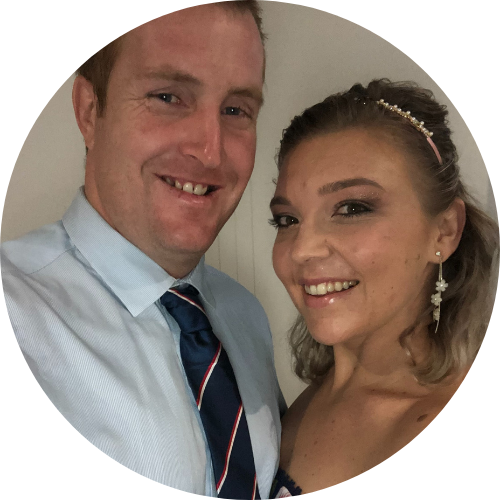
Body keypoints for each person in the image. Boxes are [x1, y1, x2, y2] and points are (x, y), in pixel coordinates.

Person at [1, 2, 285, 498]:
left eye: (236, 110)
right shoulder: (14, 315)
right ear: (90, 111)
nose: (210, 151)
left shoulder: (247, 318)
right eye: (168, 97)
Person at [268, 79, 498, 496]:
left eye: (352, 208)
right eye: (287, 220)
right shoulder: (306, 397)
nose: (301, 249)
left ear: (445, 231)